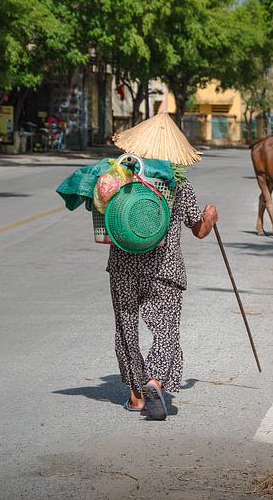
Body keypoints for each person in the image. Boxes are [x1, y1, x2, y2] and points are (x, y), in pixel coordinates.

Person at [106, 176, 218, 421]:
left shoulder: (119, 179)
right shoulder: (179, 184)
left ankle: (136, 397)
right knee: (166, 328)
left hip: (123, 267)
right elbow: (199, 230)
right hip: (164, 268)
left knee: (126, 329)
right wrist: (209, 217)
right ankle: (155, 380)